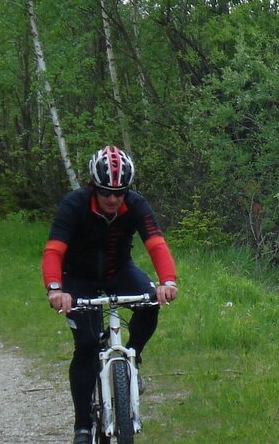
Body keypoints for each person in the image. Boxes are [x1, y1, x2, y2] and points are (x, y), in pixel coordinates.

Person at [41, 145, 178, 444]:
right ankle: (82, 426)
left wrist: (167, 282)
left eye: (120, 192)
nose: (113, 199)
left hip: (119, 271)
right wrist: (55, 289)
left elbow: (156, 244)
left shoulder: (136, 204)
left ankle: (132, 359)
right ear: (94, 186)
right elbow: (54, 251)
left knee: (150, 302)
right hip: (78, 277)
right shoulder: (74, 204)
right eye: (106, 192)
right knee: (87, 346)